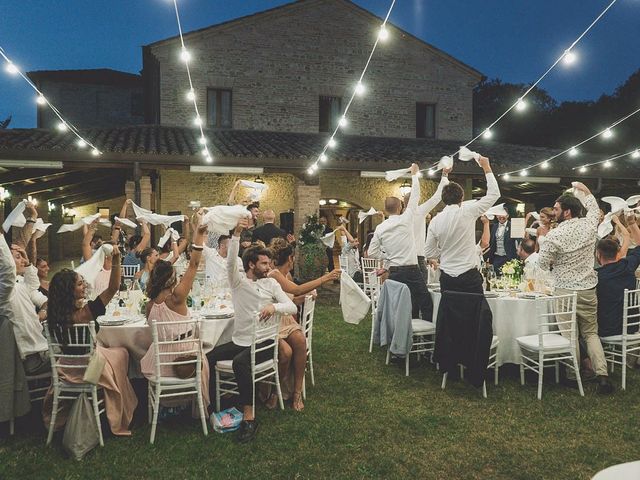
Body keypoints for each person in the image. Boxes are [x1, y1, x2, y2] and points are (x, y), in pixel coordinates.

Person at [207, 218, 297, 443]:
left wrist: (273, 306)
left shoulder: (272, 284)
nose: (269, 267)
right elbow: (230, 263)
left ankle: (249, 417)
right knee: (208, 357)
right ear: (251, 265)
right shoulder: (239, 283)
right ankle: (209, 408)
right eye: (264, 264)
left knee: (239, 362)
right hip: (241, 340)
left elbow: (292, 306)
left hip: (265, 344)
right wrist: (236, 233)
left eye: (269, 263)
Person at [45, 247, 138, 435]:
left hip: (65, 370)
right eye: (80, 284)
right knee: (122, 353)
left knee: (113, 352)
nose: (84, 286)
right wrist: (117, 259)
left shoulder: (54, 315)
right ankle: (119, 405)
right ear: (69, 290)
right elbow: (113, 288)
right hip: (89, 370)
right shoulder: (86, 313)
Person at [537, 182, 614, 394]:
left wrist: (555, 261)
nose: (553, 212)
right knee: (591, 333)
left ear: (567, 212)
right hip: (588, 288)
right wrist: (584, 190)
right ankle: (603, 376)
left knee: (570, 335)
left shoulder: (554, 235)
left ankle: (573, 376)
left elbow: (542, 264)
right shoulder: (590, 225)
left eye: (556, 209)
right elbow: (593, 207)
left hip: (564, 291)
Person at [140, 223, 211, 412]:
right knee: (206, 351)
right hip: (183, 359)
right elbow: (194, 264)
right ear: (171, 278)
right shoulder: (177, 297)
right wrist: (199, 236)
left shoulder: (149, 306)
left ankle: (167, 407)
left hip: (160, 362)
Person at [266, 240, 340, 411]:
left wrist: (306, 298)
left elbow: (293, 298)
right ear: (290, 258)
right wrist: (326, 278)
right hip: (274, 321)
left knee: (300, 340)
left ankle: (297, 392)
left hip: (287, 321)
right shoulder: (275, 274)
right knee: (287, 351)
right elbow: (297, 290)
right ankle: (275, 392)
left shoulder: (287, 275)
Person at [425, 155, 499, 295]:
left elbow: (429, 252)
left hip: (447, 277)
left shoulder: (435, 220)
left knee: (451, 314)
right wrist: (486, 167)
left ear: (444, 199)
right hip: (468, 276)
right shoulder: (468, 211)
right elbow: (494, 194)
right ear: (462, 197)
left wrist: (445, 251)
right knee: (474, 313)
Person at [368, 163, 433, 320]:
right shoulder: (406, 219)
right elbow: (415, 196)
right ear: (400, 208)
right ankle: (422, 336)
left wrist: (387, 256)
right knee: (426, 303)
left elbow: (371, 252)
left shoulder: (381, 228)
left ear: (386, 209)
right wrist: (414, 175)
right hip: (412, 271)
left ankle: (398, 334)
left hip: (395, 272)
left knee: (397, 305)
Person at [7, 241, 49, 375]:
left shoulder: (19, 285)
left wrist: (28, 262)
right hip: (30, 357)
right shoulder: (7, 290)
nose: (23, 261)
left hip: (40, 350)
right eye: (18, 257)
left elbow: (34, 286)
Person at [596, 213, 640, 338]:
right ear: (617, 252)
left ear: (599, 255)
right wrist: (631, 223)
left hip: (608, 329)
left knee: (584, 330)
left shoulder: (597, 276)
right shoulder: (627, 265)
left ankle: (589, 357)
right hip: (632, 326)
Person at [404, 167, 451, 284]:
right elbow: (437, 197)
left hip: (402, 260)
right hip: (417, 258)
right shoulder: (418, 212)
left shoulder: (399, 217)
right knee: (421, 293)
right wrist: (444, 175)